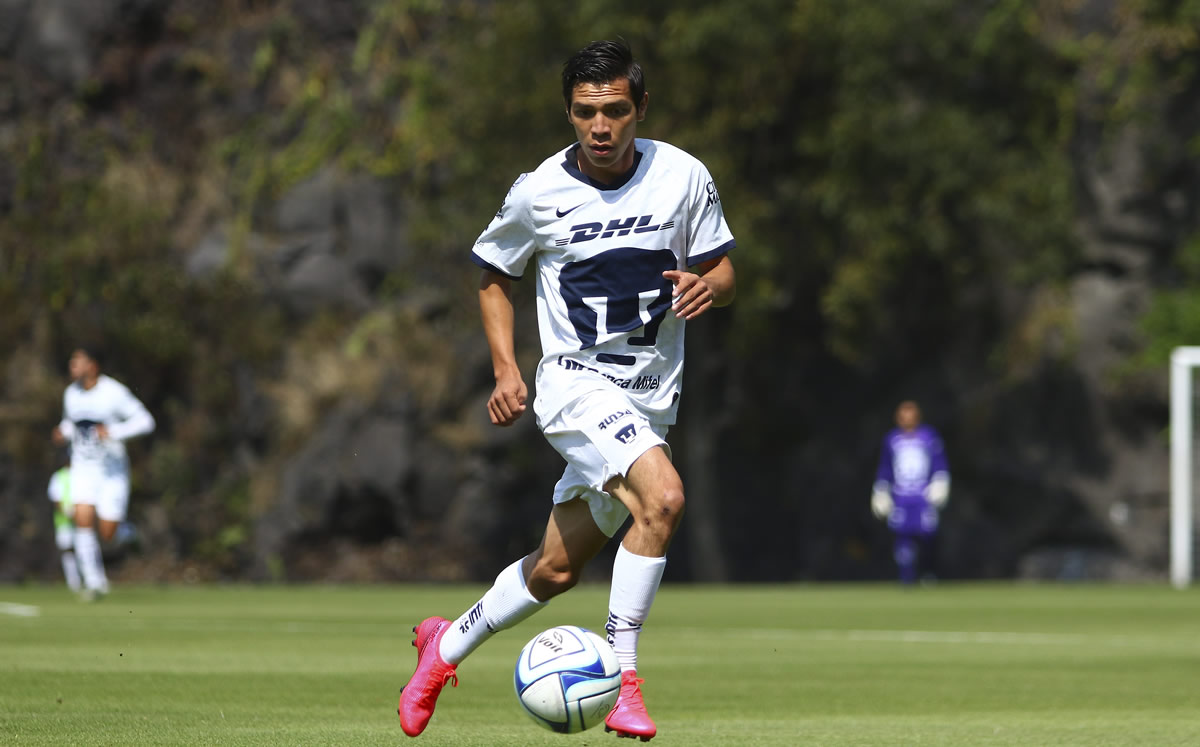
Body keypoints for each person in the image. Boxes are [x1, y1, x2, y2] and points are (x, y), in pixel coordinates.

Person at [397, 39, 736, 741]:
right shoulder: (538, 191)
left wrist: (710, 286)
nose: (600, 127)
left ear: (640, 108)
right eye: (585, 113)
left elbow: (723, 268)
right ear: (569, 112)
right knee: (664, 496)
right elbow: (494, 272)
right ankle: (626, 677)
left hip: (648, 403)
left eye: (614, 110)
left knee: (554, 569)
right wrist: (506, 367)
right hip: (573, 385)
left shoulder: (683, 176)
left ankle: (444, 646)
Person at [50, 346, 155, 601]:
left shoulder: (113, 393)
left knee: (108, 534)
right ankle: (96, 583)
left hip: (111, 471)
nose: (72, 365)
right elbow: (71, 422)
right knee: (82, 519)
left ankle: (127, 533)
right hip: (83, 468)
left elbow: (145, 421)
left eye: (78, 361)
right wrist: (62, 432)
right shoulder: (71, 394)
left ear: (93, 366)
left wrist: (114, 432)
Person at [871, 400, 950, 585]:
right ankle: (906, 579)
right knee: (902, 537)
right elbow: (885, 468)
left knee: (928, 536)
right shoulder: (892, 440)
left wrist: (941, 483)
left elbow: (939, 464)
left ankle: (928, 575)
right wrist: (880, 491)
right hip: (901, 497)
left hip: (923, 496)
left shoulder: (929, 437)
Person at [47, 453, 82, 593]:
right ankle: (73, 582)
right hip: (64, 522)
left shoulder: (83, 474)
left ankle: (91, 580)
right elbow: (56, 499)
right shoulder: (59, 476)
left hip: (81, 521)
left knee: (83, 548)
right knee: (68, 551)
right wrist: (68, 512)